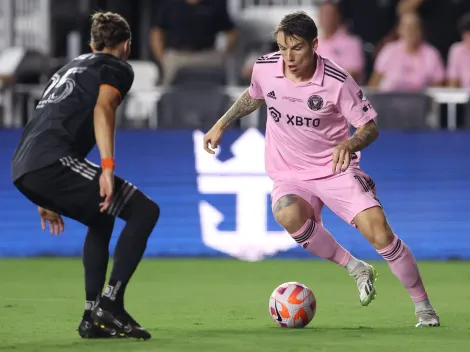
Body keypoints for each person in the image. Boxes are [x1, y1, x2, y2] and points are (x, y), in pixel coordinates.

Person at [203, 11, 439, 328]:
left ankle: (423, 307)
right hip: (290, 173)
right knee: (286, 212)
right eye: (283, 47)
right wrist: (221, 124)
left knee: (380, 233)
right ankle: (356, 268)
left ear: (315, 44)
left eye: (296, 48)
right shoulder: (266, 67)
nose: (288, 56)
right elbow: (253, 94)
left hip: (335, 170)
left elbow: (369, 128)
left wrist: (349, 145)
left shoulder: (337, 81)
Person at [11, 12, 159, 339]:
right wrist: (107, 168)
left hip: (26, 165)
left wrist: (42, 195)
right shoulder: (117, 67)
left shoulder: (67, 68)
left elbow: (44, 120)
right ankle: (111, 304)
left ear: (92, 43)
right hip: (50, 162)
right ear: (126, 46)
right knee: (145, 211)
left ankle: (93, 316)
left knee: (101, 215)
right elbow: (103, 108)